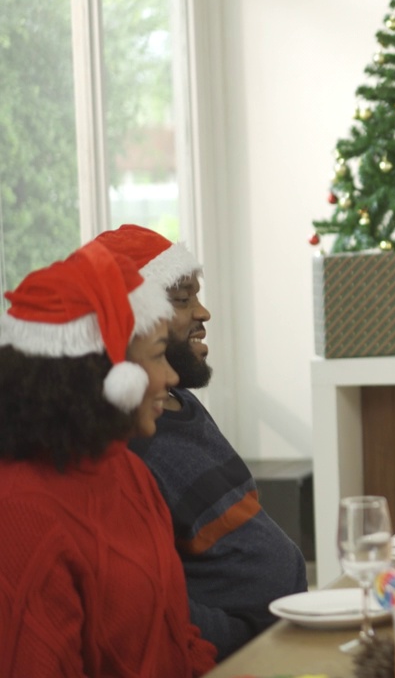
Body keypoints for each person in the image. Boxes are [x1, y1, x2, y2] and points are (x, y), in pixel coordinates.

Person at [0, 242, 218, 677]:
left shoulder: (128, 471)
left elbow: (177, 639)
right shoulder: (22, 514)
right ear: (107, 374)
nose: (172, 377)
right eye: (157, 356)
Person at [93, 225, 307, 661]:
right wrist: (241, 638)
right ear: (133, 317)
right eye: (183, 298)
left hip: (283, 636)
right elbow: (150, 599)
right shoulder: (125, 441)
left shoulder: (181, 402)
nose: (204, 312)